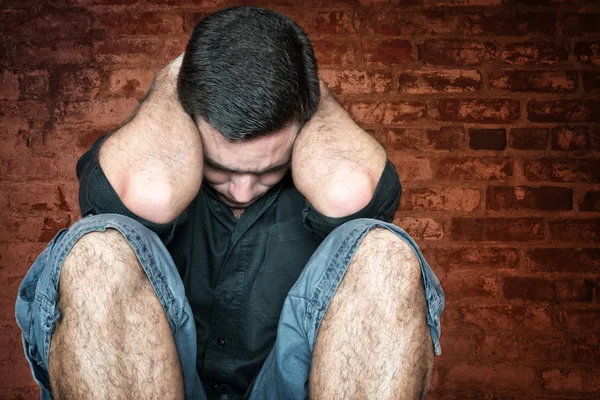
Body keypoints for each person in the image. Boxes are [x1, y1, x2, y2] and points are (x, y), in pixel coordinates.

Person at [16, 6, 444, 400]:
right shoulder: (147, 154)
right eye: (220, 168)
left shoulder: (326, 161)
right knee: (98, 251)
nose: (241, 190)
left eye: (268, 170)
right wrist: (174, 80)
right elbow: (152, 193)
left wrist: (314, 94)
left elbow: (345, 189)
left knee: (385, 255)